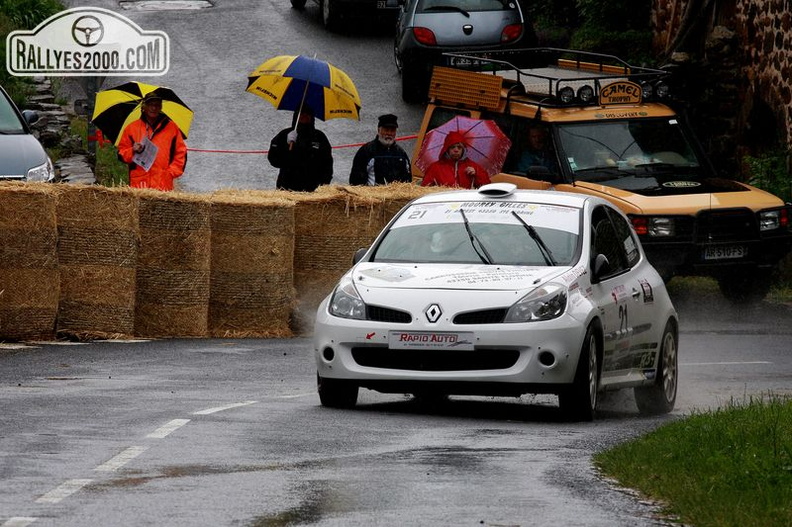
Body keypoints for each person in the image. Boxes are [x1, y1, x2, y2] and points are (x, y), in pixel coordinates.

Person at [117, 92, 187, 191]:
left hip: (163, 186)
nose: (153, 108)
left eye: (157, 105)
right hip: (139, 186)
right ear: (144, 106)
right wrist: (132, 150)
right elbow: (121, 154)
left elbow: (181, 153)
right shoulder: (131, 128)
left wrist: (170, 173)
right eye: (150, 104)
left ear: (161, 107)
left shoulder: (172, 128)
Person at [268, 105, 333, 192]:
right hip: (286, 188)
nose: (304, 116)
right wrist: (286, 145)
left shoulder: (319, 137)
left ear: (312, 117)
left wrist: (324, 185)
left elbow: (327, 163)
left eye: (308, 114)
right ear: (296, 116)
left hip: (313, 189)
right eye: (301, 113)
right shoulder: (285, 134)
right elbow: (274, 160)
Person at [349, 113, 412, 185]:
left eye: (392, 130)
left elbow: (408, 180)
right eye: (386, 130)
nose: (389, 133)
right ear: (379, 130)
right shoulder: (366, 151)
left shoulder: (401, 154)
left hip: (396, 195)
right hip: (372, 195)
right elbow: (355, 181)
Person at [420, 131, 490, 188]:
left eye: (459, 147)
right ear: (447, 149)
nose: (456, 150)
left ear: (463, 150)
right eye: (452, 147)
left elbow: (487, 187)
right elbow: (424, 189)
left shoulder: (473, 166)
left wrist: (477, 175)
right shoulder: (435, 168)